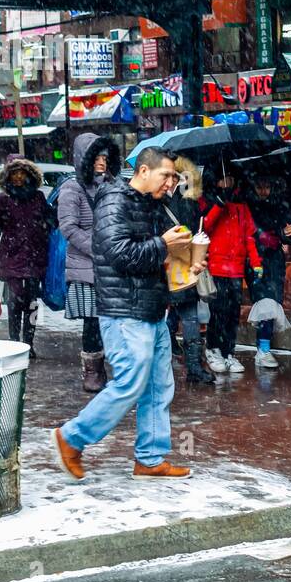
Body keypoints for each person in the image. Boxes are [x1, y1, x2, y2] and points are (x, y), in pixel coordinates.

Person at [52, 147, 198, 481]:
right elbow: (119, 254)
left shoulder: (152, 203)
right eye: (166, 175)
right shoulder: (114, 201)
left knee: (158, 387)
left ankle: (149, 458)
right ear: (144, 171)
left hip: (152, 308)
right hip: (124, 311)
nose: (171, 183)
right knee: (130, 383)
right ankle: (72, 437)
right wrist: (164, 246)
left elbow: (153, 254)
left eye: (175, 177)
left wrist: (185, 262)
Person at [59, 134, 119, 393]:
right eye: (97, 157)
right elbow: (68, 227)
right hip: (86, 267)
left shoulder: (113, 185)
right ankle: (93, 370)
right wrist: (97, 249)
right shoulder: (72, 189)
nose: (102, 162)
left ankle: (111, 366)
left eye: (105, 157)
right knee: (93, 322)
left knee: (113, 320)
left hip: (113, 265)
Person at [0, 159, 50, 353]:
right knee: (15, 302)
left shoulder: (38, 198)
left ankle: (29, 343)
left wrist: (51, 219)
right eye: (14, 173)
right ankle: (14, 341)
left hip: (35, 257)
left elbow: (49, 223)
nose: (18, 177)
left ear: (29, 176)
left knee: (32, 303)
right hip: (12, 256)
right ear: (8, 177)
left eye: (22, 173)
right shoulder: (1, 200)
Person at [200, 164, 262, 375]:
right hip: (217, 267)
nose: (227, 182)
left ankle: (228, 352)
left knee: (233, 313)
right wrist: (219, 204)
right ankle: (213, 349)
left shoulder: (241, 206)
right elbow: (205, 227)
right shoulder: (209, 202)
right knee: (218, 312)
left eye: (230, 178)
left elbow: (249, 236)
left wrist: (256, 262)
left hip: (236, 268)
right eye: (223, 178)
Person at [165, 157, 214, 385]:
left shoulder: (184, 200)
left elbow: (190, 231)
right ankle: (192, 366)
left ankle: (192, 366)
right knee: (186, 317)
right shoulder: (185, 199)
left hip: (178, 266)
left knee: (188, 317)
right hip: (172, 265)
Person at [245, 173, 291, 370]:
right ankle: (263, 348)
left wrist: (290, 234)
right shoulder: (247, 206)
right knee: (264, 303)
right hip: (255, 261)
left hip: (275, 262)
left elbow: (289, 234)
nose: (263, 191)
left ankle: (264, 347)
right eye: (259, 187)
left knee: (272, 303)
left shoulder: (279, 206)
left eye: (266, 187)